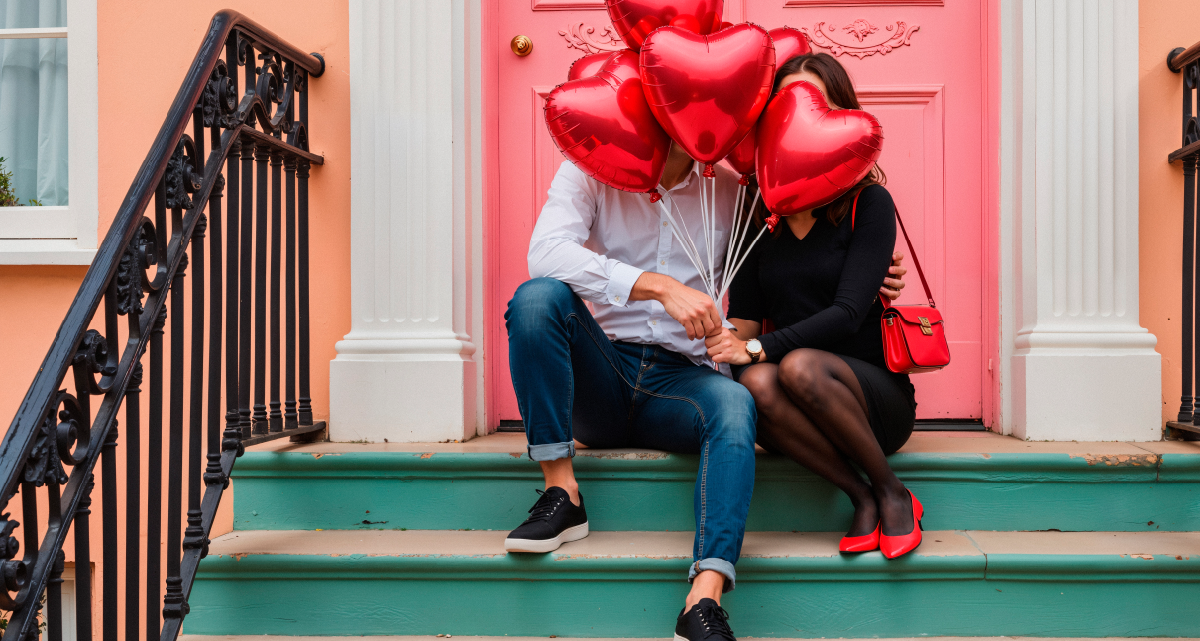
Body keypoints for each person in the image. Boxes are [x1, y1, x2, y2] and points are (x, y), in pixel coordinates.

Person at [504, 129, 907, 637]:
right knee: (537, 297)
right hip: (605, 372)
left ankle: (704, 599)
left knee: (737, 403)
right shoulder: (591, 169)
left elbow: (776, 282)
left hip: (684, 384)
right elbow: (545, 253)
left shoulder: (736, 191)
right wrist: (658, 287)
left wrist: (871, 271)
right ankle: (562, 493)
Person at [706, 52, 924, 560]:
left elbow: (849, 313)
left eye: (816, 106)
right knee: (753, 382)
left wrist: (756, 347)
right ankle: (861, 495)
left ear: (841, 118)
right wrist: (725, 347)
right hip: (798, 407)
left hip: (871, 400)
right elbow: (746, 315)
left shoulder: (868, 202)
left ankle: (893, 490)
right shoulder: (757, 209)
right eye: (788, 106)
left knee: (794, 365)